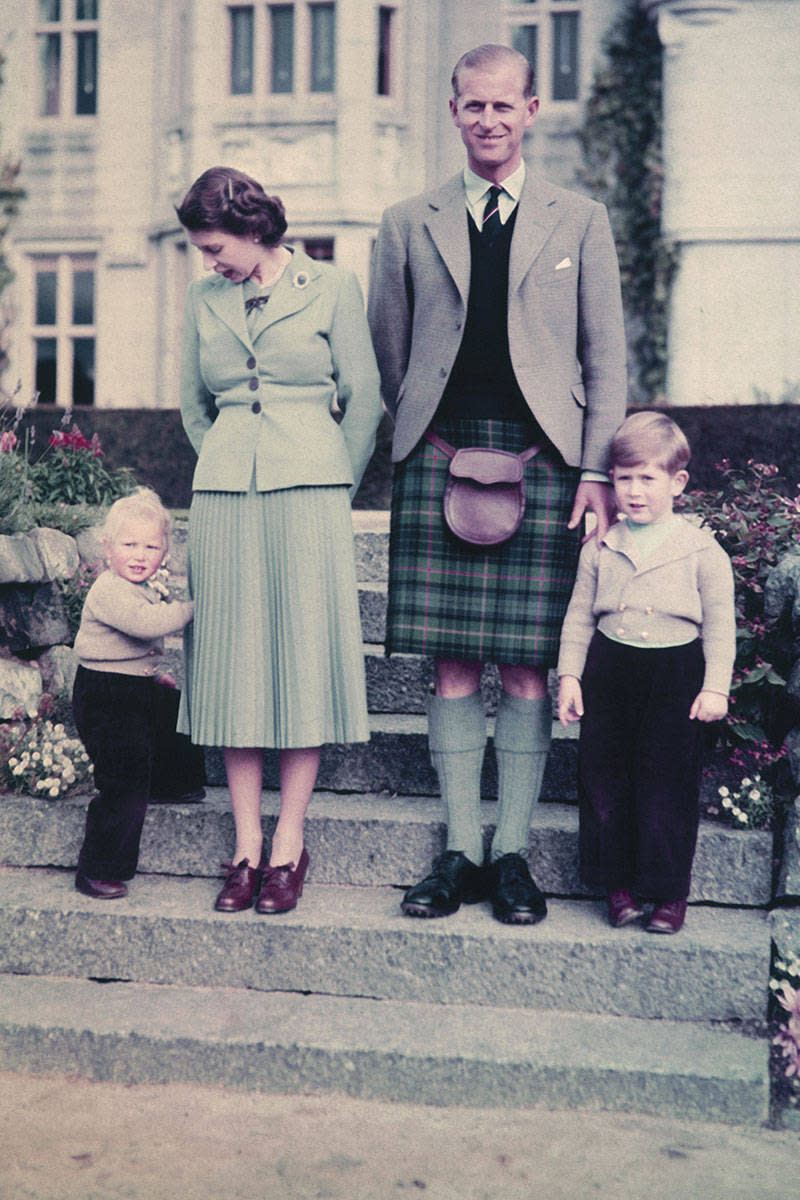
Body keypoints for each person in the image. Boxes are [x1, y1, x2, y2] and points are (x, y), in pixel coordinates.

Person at [367, 44, 627, 923]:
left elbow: (606, 355)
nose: (488, 120)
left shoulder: (581, 218)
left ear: (531, 109)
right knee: (451, 666)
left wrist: (595, 468)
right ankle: (455, 852)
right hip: (441, 451)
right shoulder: (408, 220)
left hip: (545, 460)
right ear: (453, 110)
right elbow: (389, 348)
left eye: (503, 106)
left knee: (525, 668)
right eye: (473, 106)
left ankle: (511, 853)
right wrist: (416, 440)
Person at [176, 166, 382, 915]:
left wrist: (332, 482)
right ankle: (245, 846)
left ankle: (289, 842)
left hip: (310, 494)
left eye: (214, 246)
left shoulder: (331, 289)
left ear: (254, 228)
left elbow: (365, 402)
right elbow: (194, 405)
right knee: (233, 662)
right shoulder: (203, 300)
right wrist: (229, 458)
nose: (209, 261)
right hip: (227, 495)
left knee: (299, 656)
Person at [557, 412, 736, 933]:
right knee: (605, 780)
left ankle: (667, 894)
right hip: (610, 670)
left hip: (674, 674)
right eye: (623, 478)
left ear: (677, 482)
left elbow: (722, 625)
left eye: (647, 478)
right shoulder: (602, 547)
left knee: (667, 785)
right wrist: (570, 677)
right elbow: (578, 615)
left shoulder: (702, 550)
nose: (634, 492)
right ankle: (617, 889)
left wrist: (715, 686)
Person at [72, 486, 203, 899]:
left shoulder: (141, 585)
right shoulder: (108, 588)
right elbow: (144, 624)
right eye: (129, 544)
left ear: (165, 552)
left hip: (132, 685)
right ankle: (98, 867)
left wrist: (151, 675)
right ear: (108, 548)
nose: (140, 555)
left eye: (151, 546)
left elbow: (135, 647)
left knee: (173, 713)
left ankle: (173, 782)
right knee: (123, 777)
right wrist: (194, 608)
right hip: (104, 695)